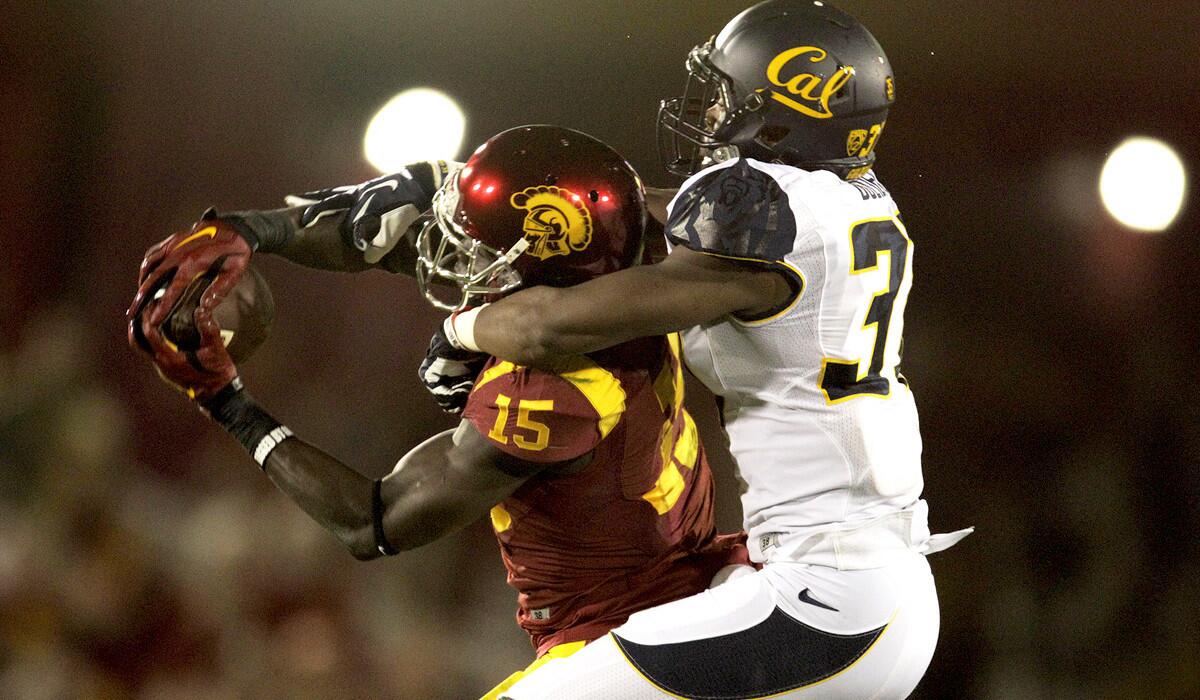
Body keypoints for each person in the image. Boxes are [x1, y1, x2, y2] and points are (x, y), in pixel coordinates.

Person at [416, 2, 974, 698]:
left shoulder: (768, 213)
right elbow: (656, 218)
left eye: (726, 96)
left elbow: (548, 327)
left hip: (824, 605)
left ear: (784, 109)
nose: (710, 115)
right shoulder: (844, 204)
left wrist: (461, 328)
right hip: (855, 586)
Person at [126, 125, 746, 698]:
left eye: (477, 251)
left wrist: (224, 402)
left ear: (543, 262)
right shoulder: (630, 265)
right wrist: (249, 230)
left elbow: (373, 521)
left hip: (619, 639)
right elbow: (395, 235)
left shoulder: (551, 386)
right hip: (689, 588)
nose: (457, 259)